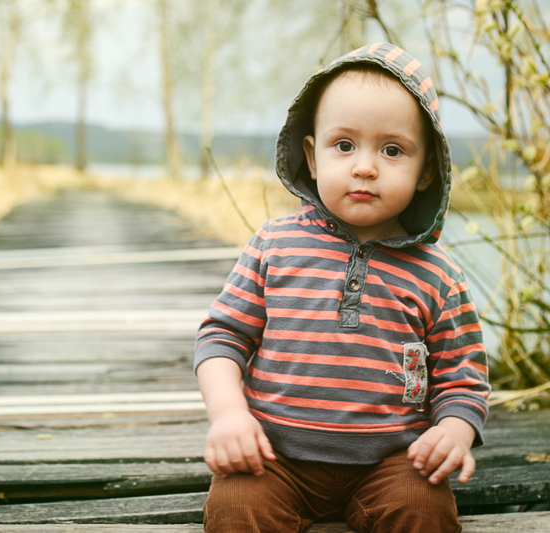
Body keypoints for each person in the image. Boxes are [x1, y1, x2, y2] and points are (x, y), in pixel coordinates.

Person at [194, 42, 490, 533]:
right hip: (274, 457)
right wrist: (228, 414)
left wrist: (454, 431)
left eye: (392, 150)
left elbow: (462, 377)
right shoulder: (275, 244)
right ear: (312, 157)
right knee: (237, 508)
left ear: (427, 171)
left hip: (392, 463)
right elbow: (222, 337)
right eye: (344, 145)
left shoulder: (437, 275)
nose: (365, 167)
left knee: (424, 510)